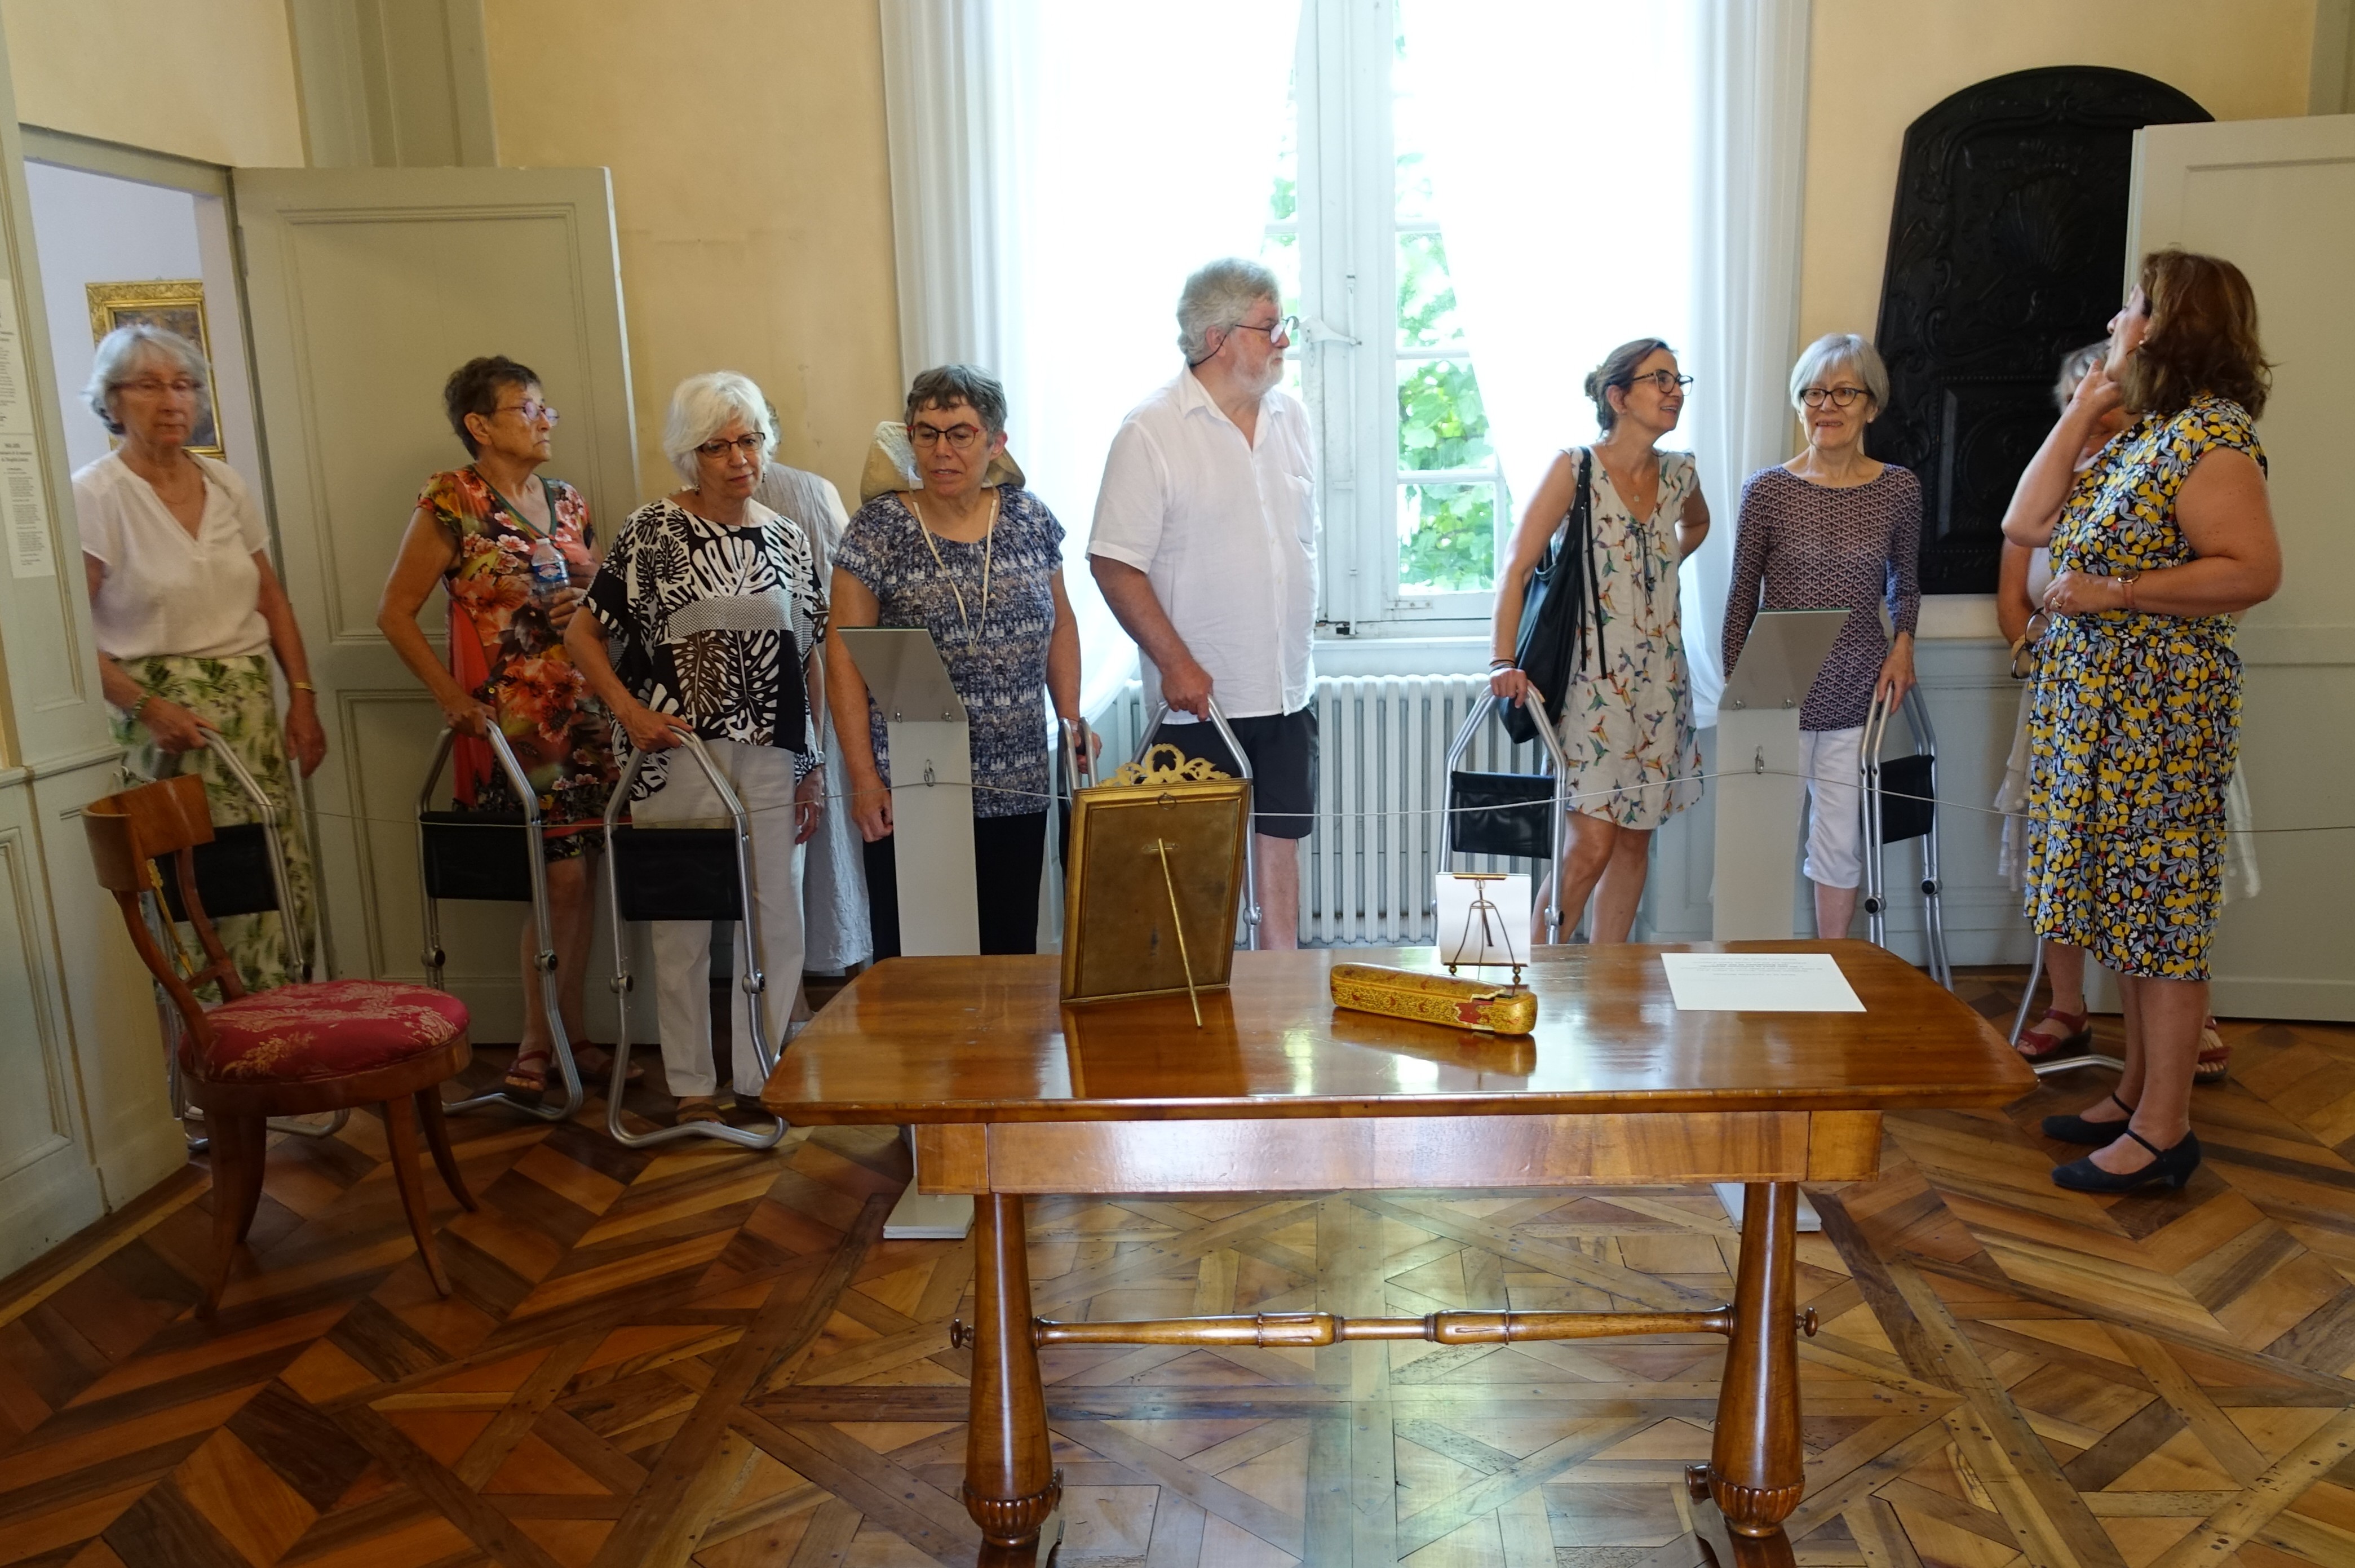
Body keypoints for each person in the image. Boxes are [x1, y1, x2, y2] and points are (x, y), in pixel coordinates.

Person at [2000, 250, 2281, 1194]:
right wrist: (2085, 404)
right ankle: (2132, 1091)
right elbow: (2023, 524)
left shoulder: (2211, 438)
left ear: (2165, 324)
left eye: (2131, 306)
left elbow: (2250, 569)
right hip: (2098, 719)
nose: (2116, 320)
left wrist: (2117, 590)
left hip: (2156, 722)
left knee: (2157, 921)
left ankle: (2164, 1131)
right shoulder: (2141, 433)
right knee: (2121, 914)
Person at [565, 373, 827, 1127]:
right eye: (718, 446)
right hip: (676, 753)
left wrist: (811, 765)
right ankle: (689, 1083)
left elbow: (808, 655)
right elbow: (582, 635)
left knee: (776, 918)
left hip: (772, 753)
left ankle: (761, 1072)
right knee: (681, 920)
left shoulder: (785, 536)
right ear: (689, 454)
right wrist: (629, 712)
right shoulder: (652, 529)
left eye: (750, 440)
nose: (739, 458)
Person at [378, 356, 622, 1100]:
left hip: (584, 710)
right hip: (515, 722)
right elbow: (394, 612)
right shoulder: (452, 498)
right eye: (528, 409)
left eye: (546, 409)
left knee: (582, 877)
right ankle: (536, 1041)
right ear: (480, 425)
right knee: (558, 879)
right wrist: (450, 696)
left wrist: (587, 595)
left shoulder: (568, 500)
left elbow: (600, 598)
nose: (545, 421)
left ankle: (570, 1033)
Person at [76, 324, 321, 995]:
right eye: (149, 385)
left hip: (249, 722)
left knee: (273, 883)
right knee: (195, 894)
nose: (172, 400)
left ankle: (283, 1031)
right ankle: (209, 1041)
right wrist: (148, 707)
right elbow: (67, 638)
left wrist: (302, 697)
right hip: (163, 730)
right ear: (111, 400)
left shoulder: (224, 482)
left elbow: (271, 599)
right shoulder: (96, 494)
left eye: (184, 385)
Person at [1090, 258, 1317, 948]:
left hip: (1287, 690)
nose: (1284, 340)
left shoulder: (1290, 417)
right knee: (1195, 873)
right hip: (1199, 699)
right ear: (1217, 338)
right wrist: (1176, 664)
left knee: (1279, 852)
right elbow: (1113, 563)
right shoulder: (1151, 430)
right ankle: (1202, 1005)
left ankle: (1282, 991)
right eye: (1270, 327)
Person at [828, 366, 1088, 956]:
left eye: (960, 433)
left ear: (995, 442)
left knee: (1007, 958)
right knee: (920, 968)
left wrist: (1070, 717)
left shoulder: (1030, 519)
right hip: (913, 783)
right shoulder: (877, 529)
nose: (941, 450)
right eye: (927, 433)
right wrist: (863, 778)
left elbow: (1062, 624)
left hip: (1016, 781)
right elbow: (843, 653)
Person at [1487, 339, 1710, 942]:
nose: (1674, 391)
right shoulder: (1574, 468)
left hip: (1661, 685)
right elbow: (1516, 566)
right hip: (1592, 686)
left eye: (1677, 380)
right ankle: (1534, 974)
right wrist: (1502, 660)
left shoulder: (1680, 472)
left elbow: (1698, 523)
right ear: (1618, 397)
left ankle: (1606, 979)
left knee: (1635, 840)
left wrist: (1658, 564)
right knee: (1589, 844)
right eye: (1658, 379)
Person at [1723, 334, 1922, 942]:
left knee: (1838, 836)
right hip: (1773, 678)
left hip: (1857, 681)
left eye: (1843, 392)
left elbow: (1904, 582)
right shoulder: (1766, 490)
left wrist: (1904, 644)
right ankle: (1754, 968)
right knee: (1762, 835)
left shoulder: (1899, 489)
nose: (1825, 406)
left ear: (1871, 405)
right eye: (1812, 393)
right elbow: (1740, 597)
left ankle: (1831, 960)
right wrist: (1738, 692)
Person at [753, 440, 869, 981]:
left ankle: (790, 994)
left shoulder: (798, 498)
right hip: (818, 673)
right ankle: (846, 961)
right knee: (828, 845)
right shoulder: (815, 491)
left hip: (791, 681)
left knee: (775, 854)